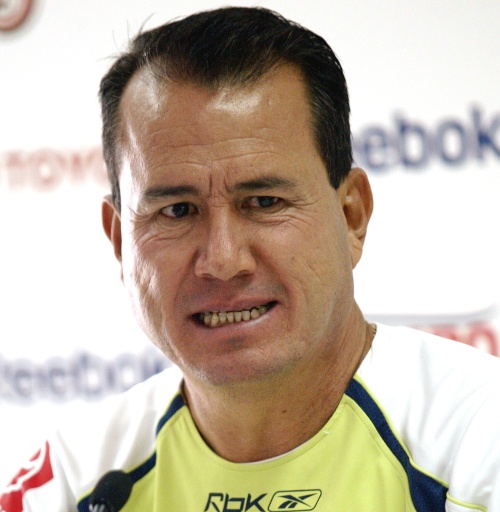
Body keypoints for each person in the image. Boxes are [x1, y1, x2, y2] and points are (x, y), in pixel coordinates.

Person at [2, 6, 500, 512]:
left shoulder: (481, 441)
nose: (222, 260)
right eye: (177, 211)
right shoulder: (70, 485)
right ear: (118, 241)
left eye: (264, 202)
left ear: (352, 216)